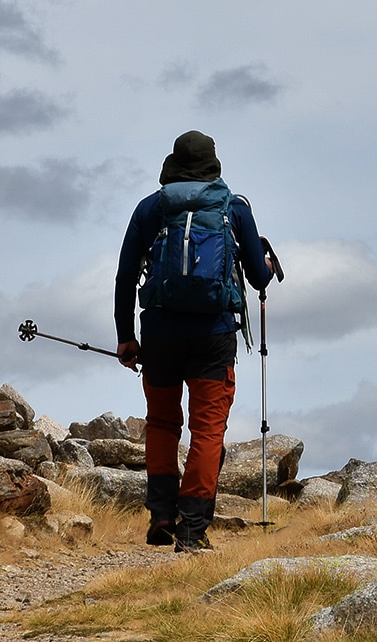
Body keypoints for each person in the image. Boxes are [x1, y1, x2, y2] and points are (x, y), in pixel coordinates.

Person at [114, 130, 275, 552]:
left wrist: (126, 337)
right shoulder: (233, 207)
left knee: (163, 423)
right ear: (213, 164)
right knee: (208, 430)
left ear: (173, 164)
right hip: (214, 334)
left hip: (160, 334)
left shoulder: (151, 208)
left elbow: (126, 274)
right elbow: (258, 277)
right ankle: (192, 529)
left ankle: (162, 516)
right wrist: (266, 258)